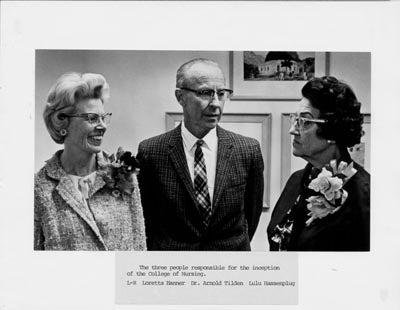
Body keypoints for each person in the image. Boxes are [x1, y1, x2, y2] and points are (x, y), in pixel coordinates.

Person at [137, 58, 264, 251]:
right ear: (180, 97)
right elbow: (147, 218)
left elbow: (251, 215)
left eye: (221, 94)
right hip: (174, 271)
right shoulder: (152, 152)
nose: (215, 103)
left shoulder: (247, 150)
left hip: (228, 268)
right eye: (205, 93)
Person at [34, 72, 146, 250]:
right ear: (62, 122)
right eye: (92, 118)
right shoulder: (39, 187)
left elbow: (139, 245)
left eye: (104, 117)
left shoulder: (124, 175)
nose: (102, 126)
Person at [267, 76, 370, 251]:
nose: (293, 130)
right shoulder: (296, 180)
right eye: (295, 119)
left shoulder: (364, 193)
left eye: (305, 121)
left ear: (332, 129)